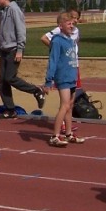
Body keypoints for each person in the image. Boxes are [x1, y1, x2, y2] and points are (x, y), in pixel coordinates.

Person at [0, 0, 47, 117]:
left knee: (10, 77)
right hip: (4, 50)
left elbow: (21, 30)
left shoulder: (14, 9)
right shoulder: (2, 12)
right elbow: (0, 34)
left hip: (13, 49)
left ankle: (36, 91)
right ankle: (10, 109)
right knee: (2, 81)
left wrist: (20, 49)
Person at [42, 12, 86, 147]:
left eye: (72, 23)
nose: (71, 26)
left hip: (71, 76)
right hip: (63, 77)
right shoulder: (57, 41)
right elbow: (53, 61)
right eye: (68, 24)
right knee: (65, 105)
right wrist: (48, 80)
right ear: (60, 26)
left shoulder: (71, 40)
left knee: (70, 106)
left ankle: (68, 133)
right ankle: (55, 136)